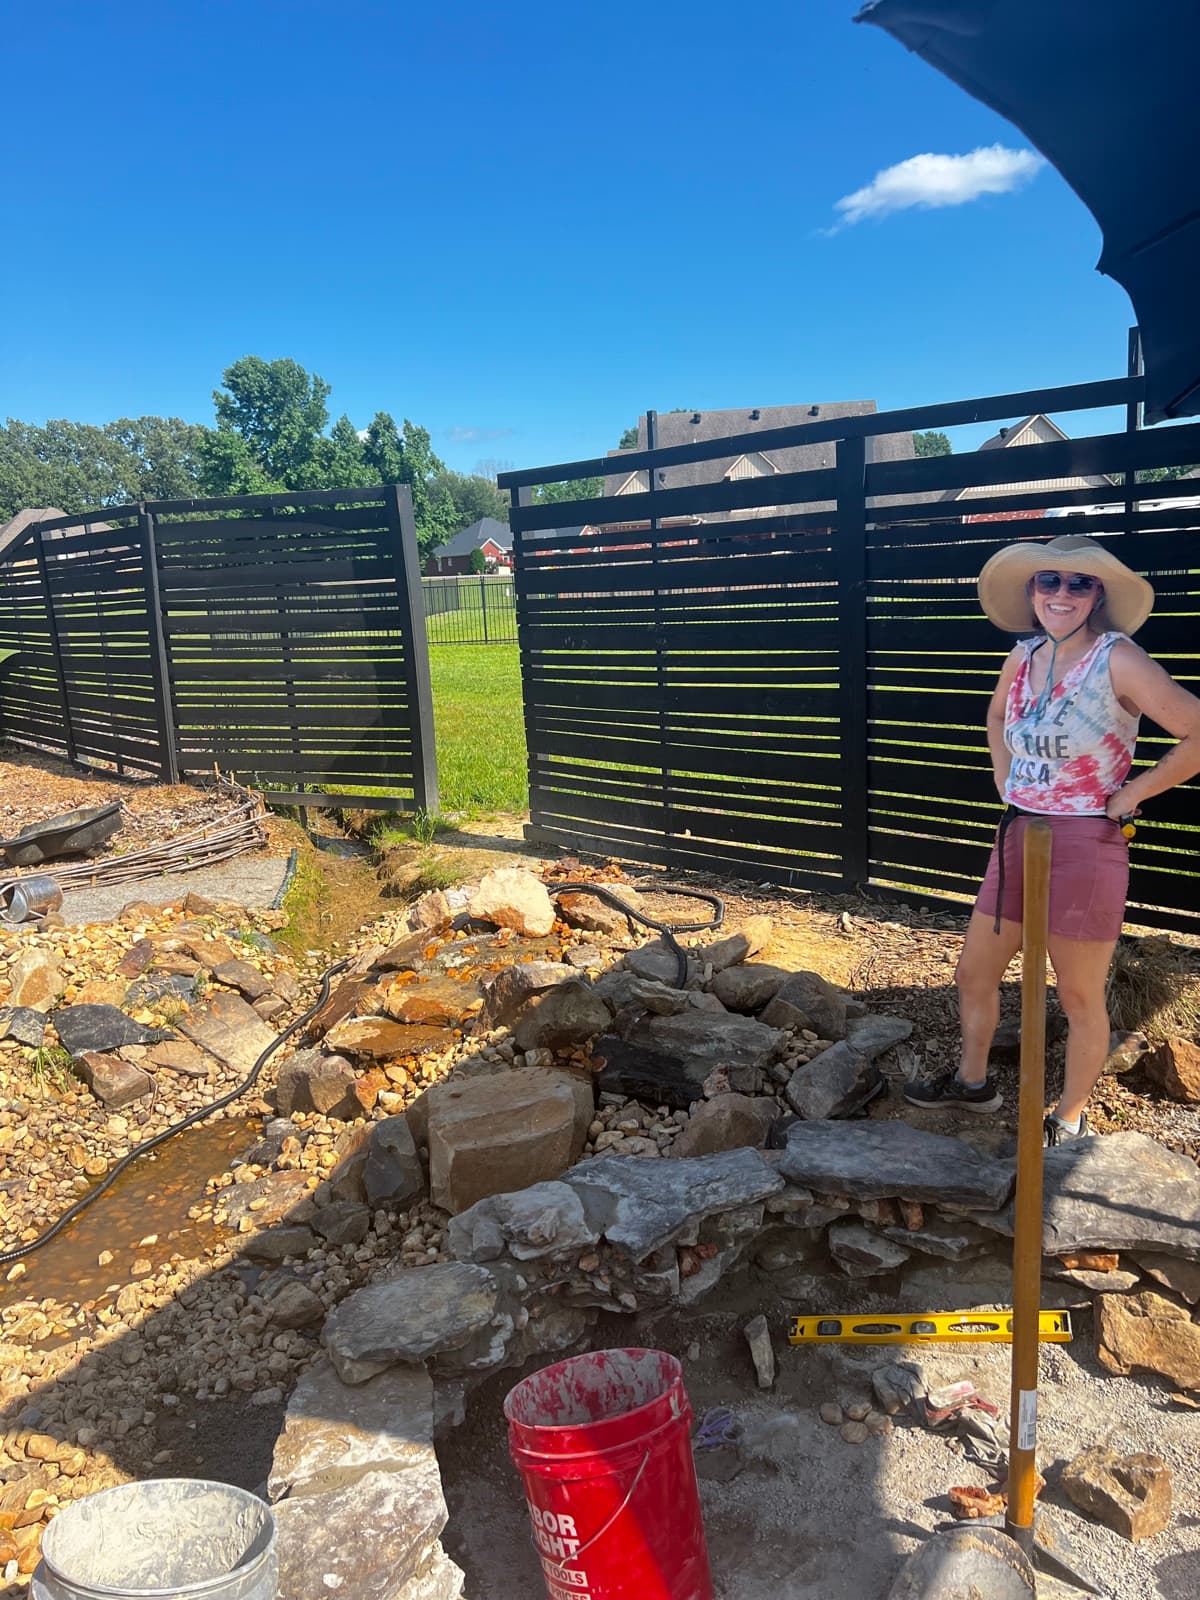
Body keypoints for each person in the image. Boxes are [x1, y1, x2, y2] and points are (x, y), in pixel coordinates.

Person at [904, 533, 1200, 1144]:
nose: (1061, 594)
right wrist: (1001, 773)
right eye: (1049, 581)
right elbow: (994, 717)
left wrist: (1131, 795)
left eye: (1078, 583)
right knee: (974, 974)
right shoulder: (1023, 656)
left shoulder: (1118, 659)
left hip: (1085, 844)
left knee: (1078, 996)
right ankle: (973, 1083)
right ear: (1032, 591)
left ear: (1097, 596)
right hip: (1017, 833)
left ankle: (1068, 1117)